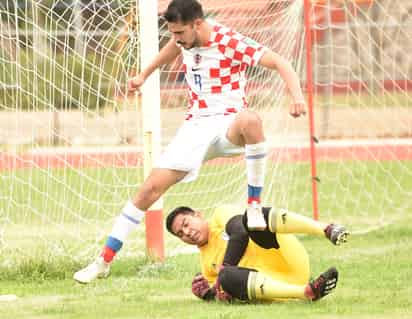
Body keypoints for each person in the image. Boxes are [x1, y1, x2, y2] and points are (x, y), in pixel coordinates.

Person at [74, 0, 307, 284]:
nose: (176, 40)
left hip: (228, 125)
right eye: (172, 33)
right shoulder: (184, 41)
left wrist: (296, 96)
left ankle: (254, 205)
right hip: (195, 128)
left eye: (180, 33)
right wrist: (144, 74)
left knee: (251, 120)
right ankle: (103, 262)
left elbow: (280, 62)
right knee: (148, 189)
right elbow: (172, 48)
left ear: (197, 24)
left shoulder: (228, 41)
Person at [166, 204, 349, 302]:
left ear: (197, 215)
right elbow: (226, 292)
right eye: (180, 234)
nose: (187, 233)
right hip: (278, 287)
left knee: (253, 216)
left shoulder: (220, 214)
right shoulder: (206, 266)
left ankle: (326, 229)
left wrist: (224, 269)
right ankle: (307, 292)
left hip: (287, 258)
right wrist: (210, 295)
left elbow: (240, 232)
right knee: (227, 277)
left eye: (186, 224)